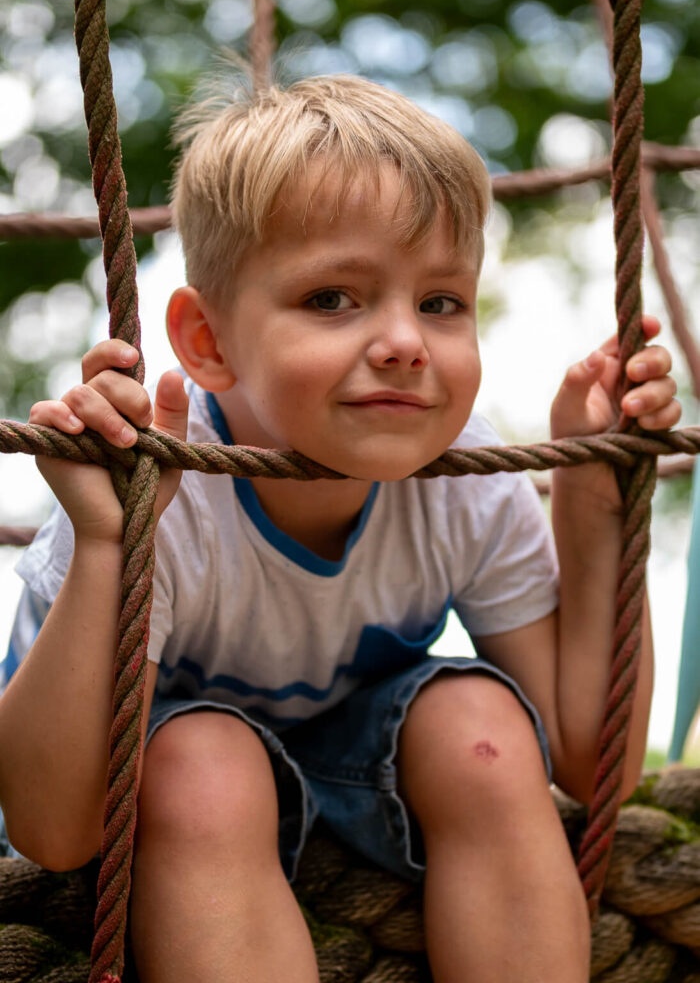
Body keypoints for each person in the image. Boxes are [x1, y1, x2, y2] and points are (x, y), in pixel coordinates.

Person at [0, 75, 680, 983]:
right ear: (206, 342)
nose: (405, 340)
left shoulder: (466, 483)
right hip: (156, 806)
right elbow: (52, 830)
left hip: (360, 774)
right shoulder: (158, 490)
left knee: (479, 724)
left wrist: (590, 495)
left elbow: (596, 765)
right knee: (203, 762)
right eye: (332, 299)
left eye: (441, 302)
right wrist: (101, 548)